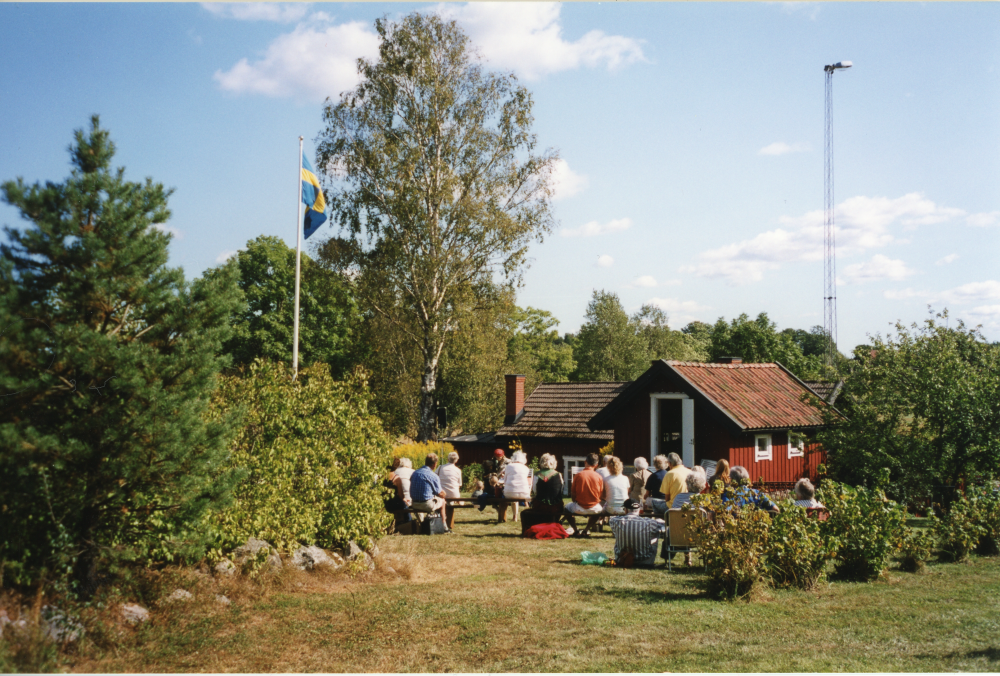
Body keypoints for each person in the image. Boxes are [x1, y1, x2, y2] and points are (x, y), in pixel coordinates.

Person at [609, 499, 665, 567]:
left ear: (625, 510)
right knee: (655, 534)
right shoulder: (650, 522)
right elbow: (663, 527)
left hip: (622, 558)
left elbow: (612, 521)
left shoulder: (615, 521)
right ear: (639, 510)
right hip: (645, 560)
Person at [563, 453, 604, 537]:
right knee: (600, 510)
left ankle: (575, 530)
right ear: (596, 465)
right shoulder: (599, 477)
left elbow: (573, 493)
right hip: (594, 508)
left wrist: (575, 502)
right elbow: (600, 494)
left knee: (566, 508)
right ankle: (586, 529)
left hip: (579, 507)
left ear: (585, 462)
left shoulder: (578, 475)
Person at [520, 453, 564, 531]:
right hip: (556, 507)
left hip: (541, 506)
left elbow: (534, 490)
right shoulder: (559, 474)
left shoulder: (537, 475)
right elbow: (561, 490)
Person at [409, 453, 452, 531]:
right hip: (426, 505)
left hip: (414, 503)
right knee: (442, 501)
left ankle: (422, 523)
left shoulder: (415, 473)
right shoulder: (433, 476)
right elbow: (440, 493)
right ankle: (444, 525)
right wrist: (444, 493)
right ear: (435, 464)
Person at [437, 451, 463, 530]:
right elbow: (460, 484)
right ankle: (449, 523)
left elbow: (435, 477)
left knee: (443, 499)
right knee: (451, 499)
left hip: (442, 493)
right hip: (453, 494)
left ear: (448, 459)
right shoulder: (458, 470)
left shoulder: (440, 467)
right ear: (456, 460)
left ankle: (442, 522)